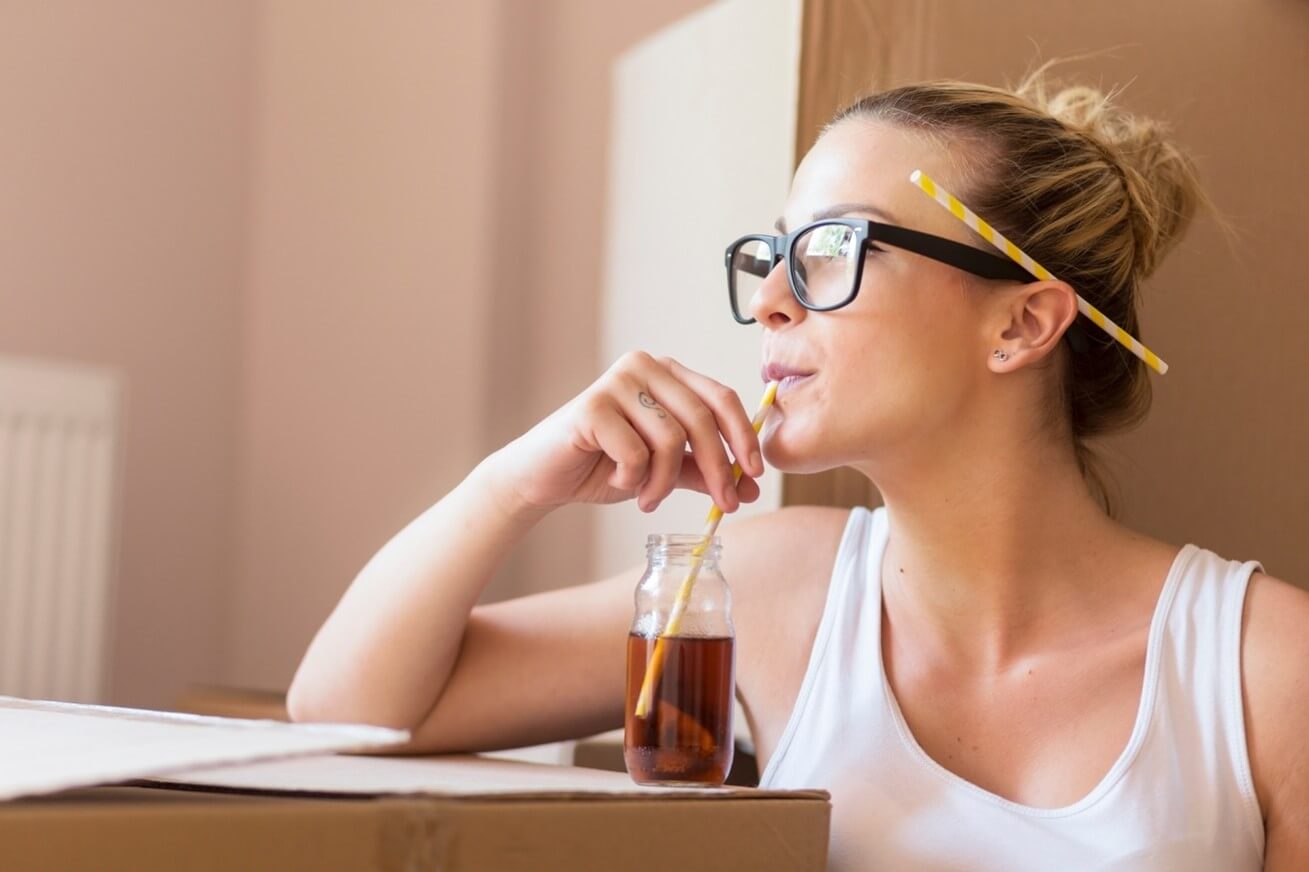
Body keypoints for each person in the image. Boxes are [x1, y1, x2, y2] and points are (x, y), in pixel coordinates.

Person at [288, 69, 1308, 870]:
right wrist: (511, 482)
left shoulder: (1267, 669)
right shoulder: (778, 588)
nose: (772, 299)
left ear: (1022, 319)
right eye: (772, 254)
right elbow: (348, 712)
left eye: (831, 248)